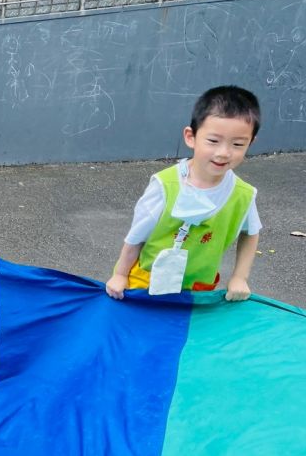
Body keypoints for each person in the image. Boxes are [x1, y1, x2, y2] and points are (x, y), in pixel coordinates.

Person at [106, 85, 262, 302]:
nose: (224, 153)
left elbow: (251, 232)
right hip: (146, 286)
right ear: (191, 137)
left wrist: (239, 277)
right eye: (213, 141)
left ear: (250, 143)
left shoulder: (243, 195)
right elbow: (136, 235)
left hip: (197, 293)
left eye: (237, 144)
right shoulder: (165, 186)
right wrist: (120, 275)